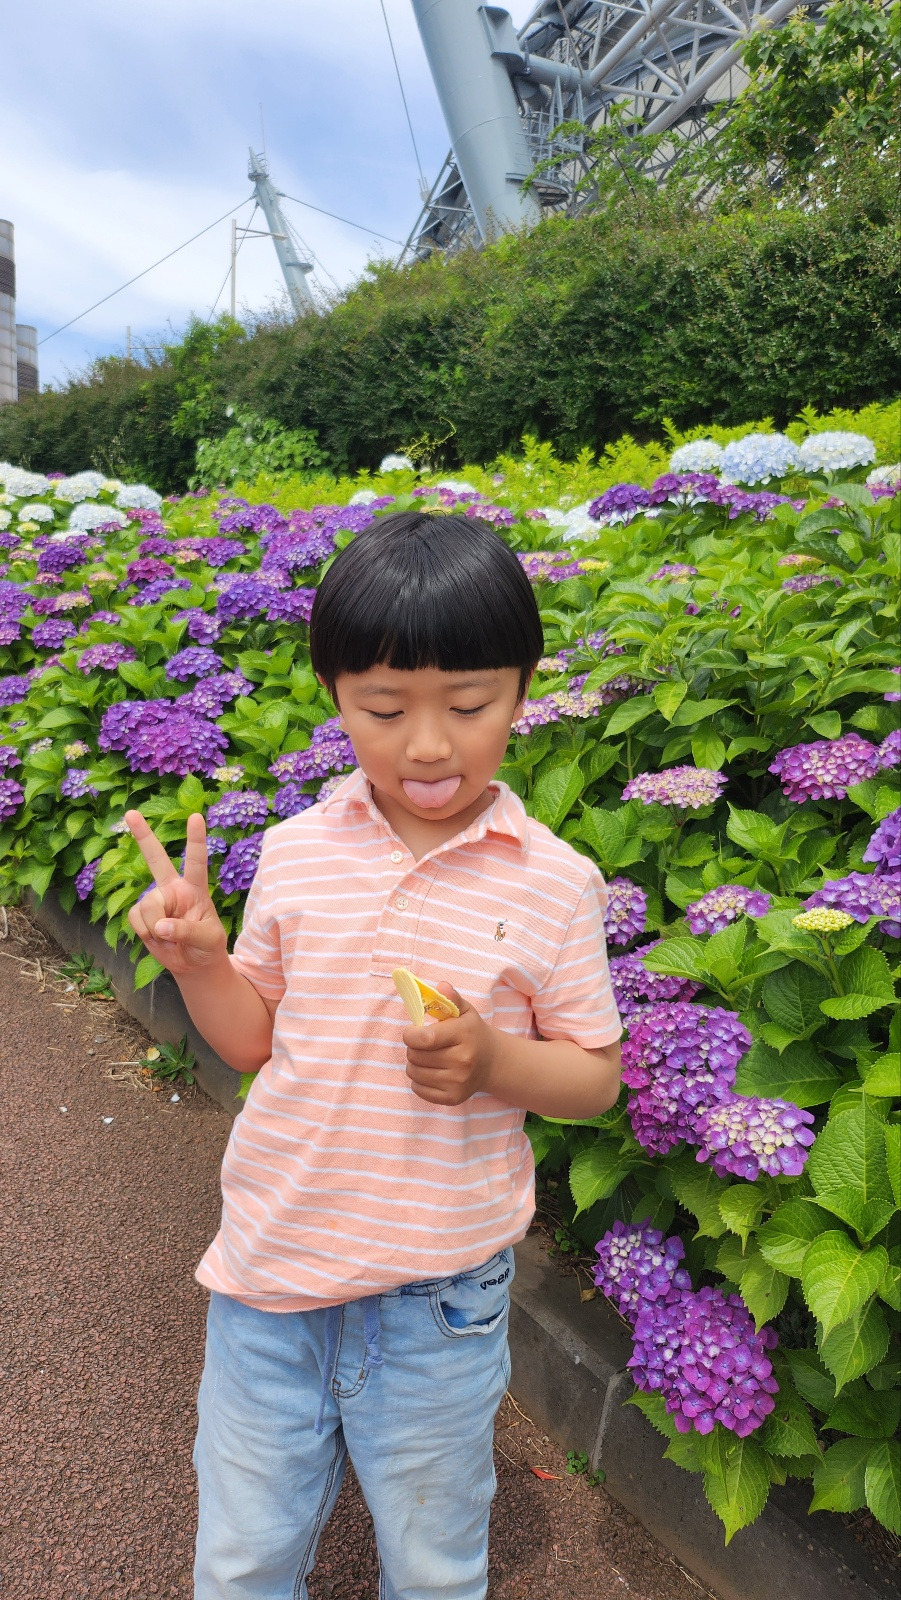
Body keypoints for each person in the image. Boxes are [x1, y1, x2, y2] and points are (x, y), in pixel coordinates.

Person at [125, 510, 622, 1600]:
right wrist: (202, 961)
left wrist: (496, 1060)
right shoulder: (299, 854)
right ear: (339, 697)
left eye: (470, 703)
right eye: (385, 709)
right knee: (243, 1554)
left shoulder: (554, 881)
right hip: (267, 1274)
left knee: (434, 1560)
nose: (429, 744)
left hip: (437, 1296)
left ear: (525, 691)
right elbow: (253, 1038)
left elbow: (593, 1076)